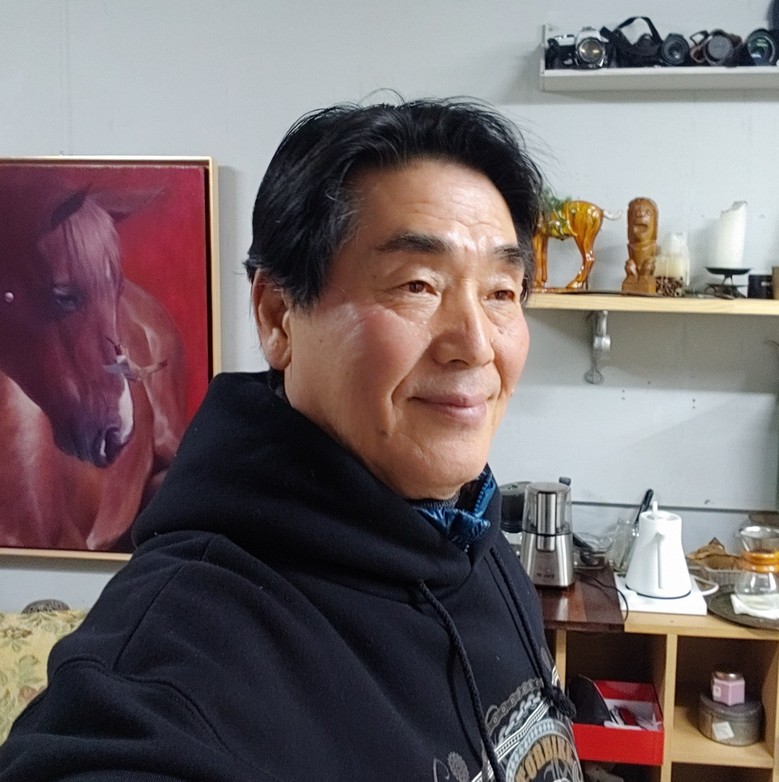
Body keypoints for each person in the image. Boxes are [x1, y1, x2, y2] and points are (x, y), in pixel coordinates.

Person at [0, 98, 582, 782]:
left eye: (501, 292)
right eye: (418, 285)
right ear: (278, 316)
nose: (475, 344)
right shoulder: (181, 655)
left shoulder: (471, 534)